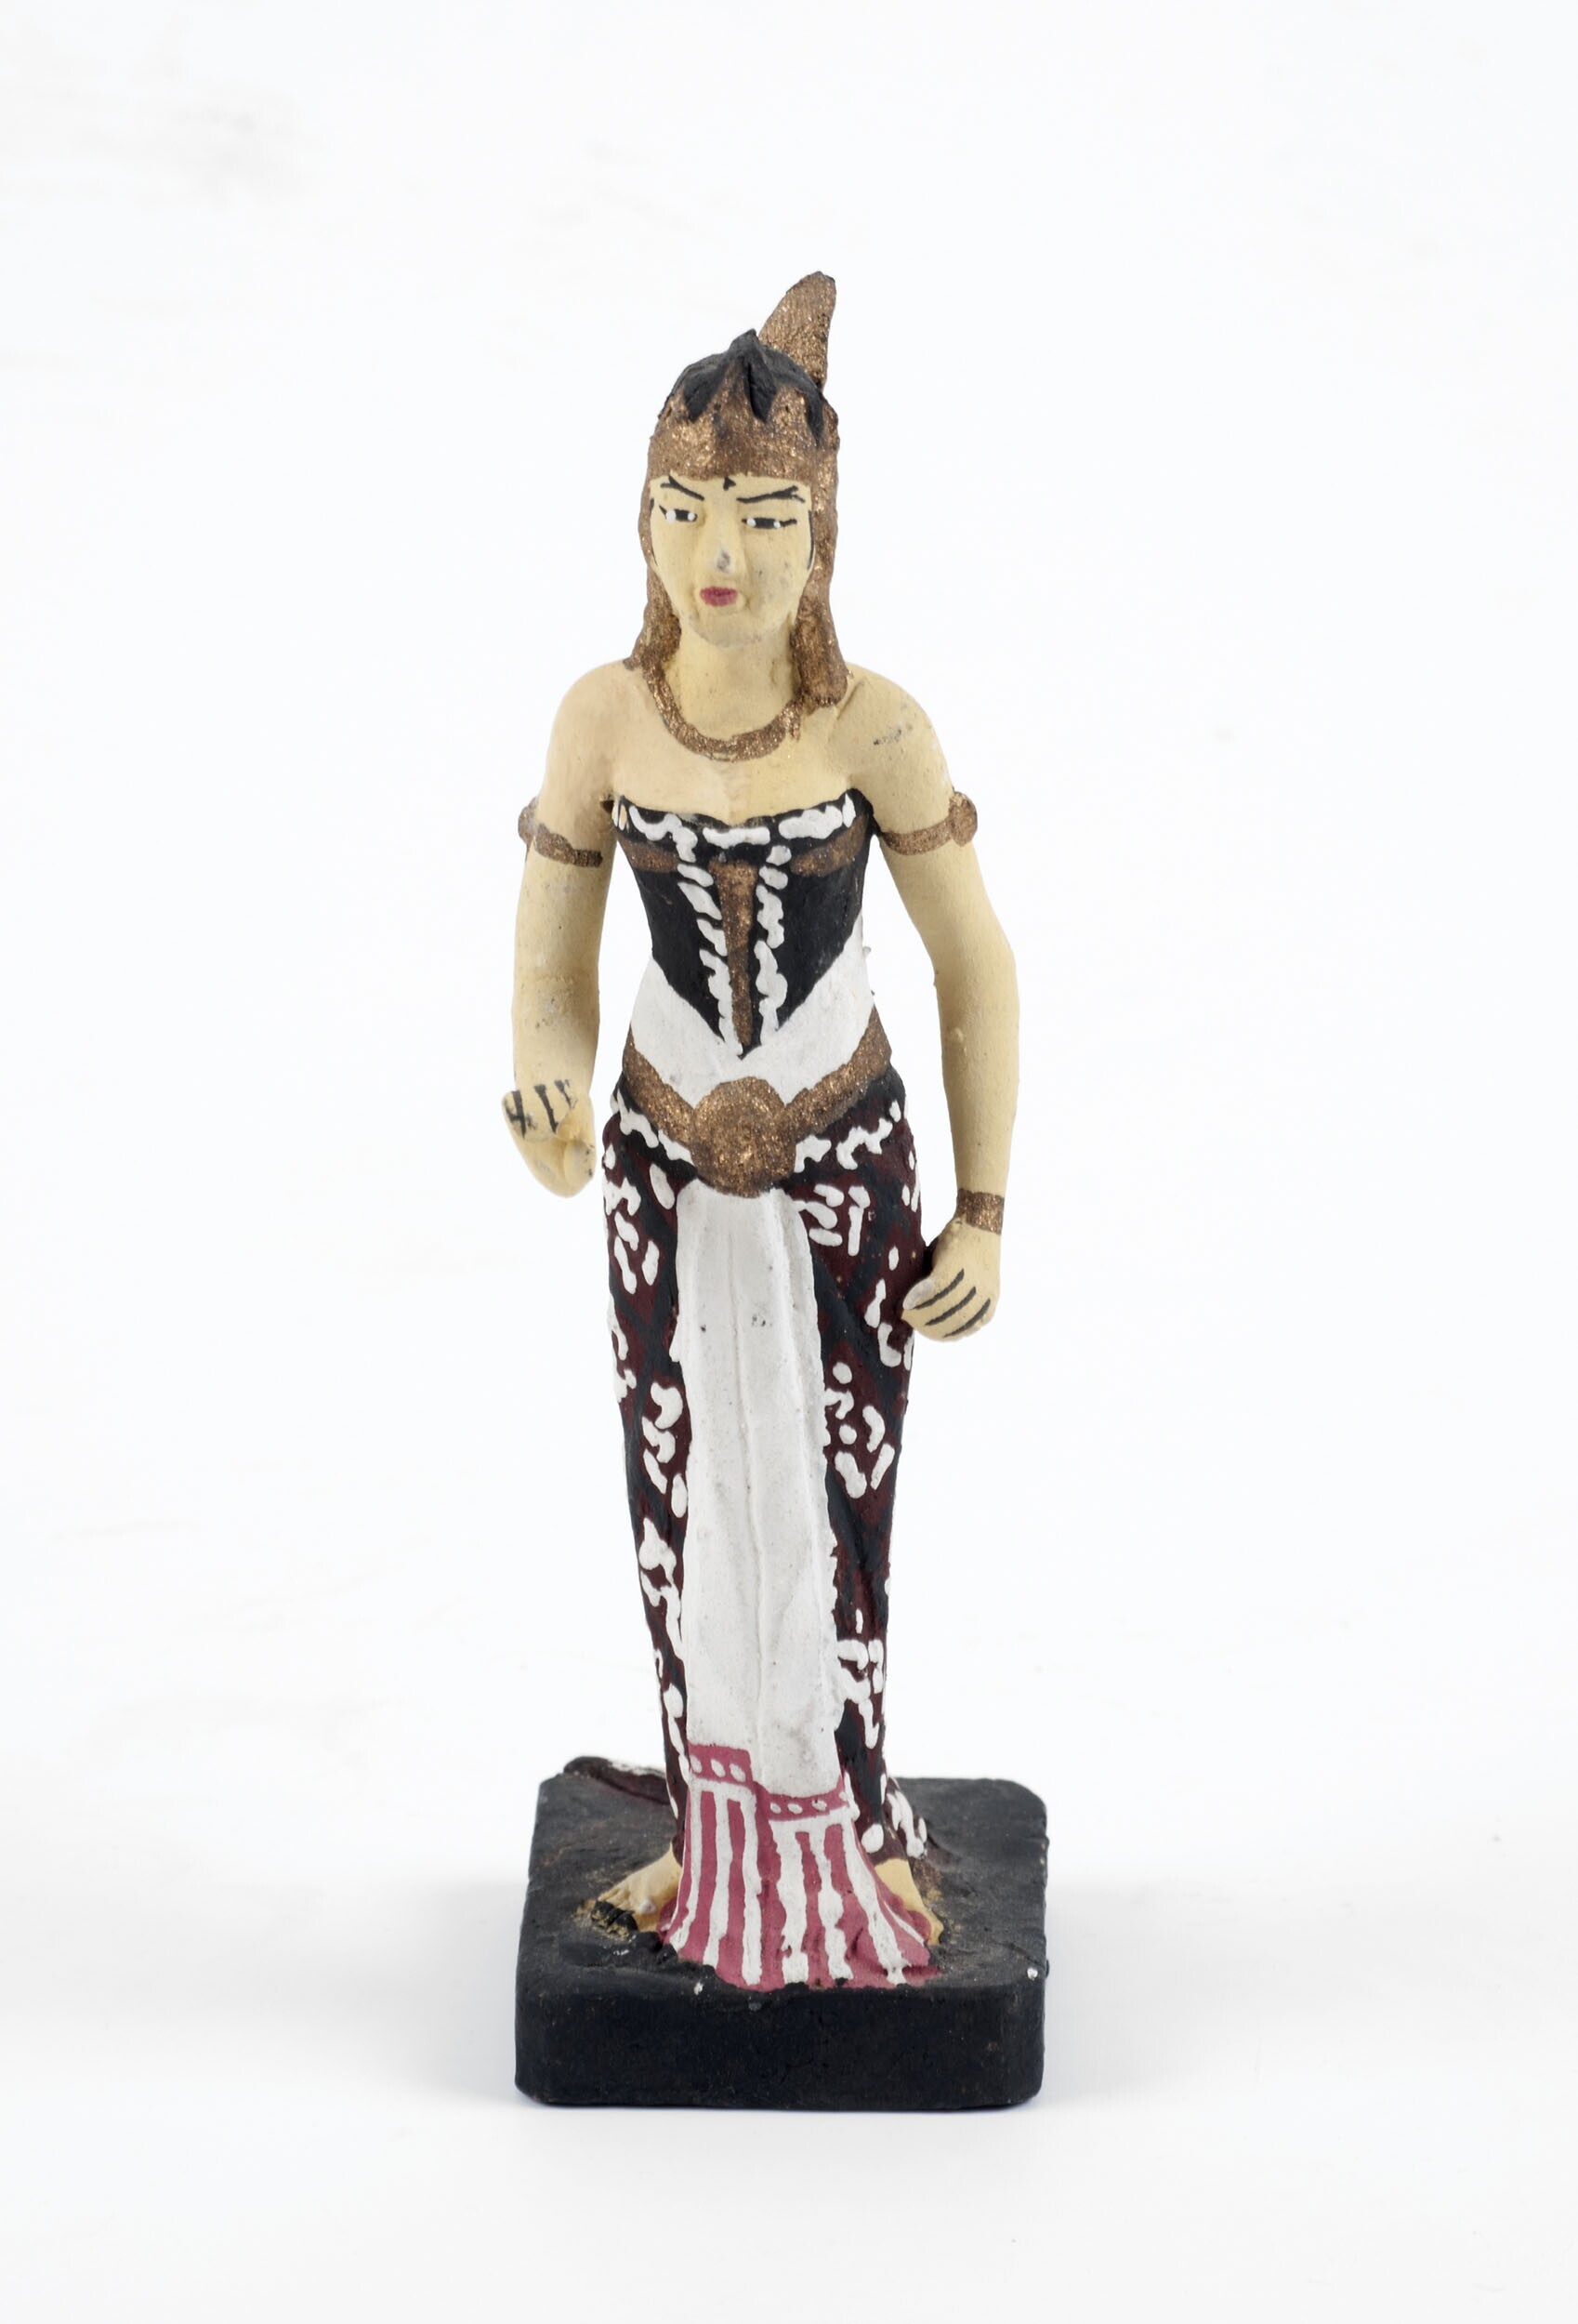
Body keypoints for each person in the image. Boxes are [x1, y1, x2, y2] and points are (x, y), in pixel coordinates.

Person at [505, 275, 1018, 1991]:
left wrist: (985, 1207)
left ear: (823, 533)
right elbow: (551, 975)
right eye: (682, 509)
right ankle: (708, 1833)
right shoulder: (602, 718)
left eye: (764, 518)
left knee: (828, 1498)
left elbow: (973, 964)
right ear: (640, 518)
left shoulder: (874, 725)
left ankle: (845, 1831)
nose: (717, 554)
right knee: (684, 1491)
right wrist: (548, 1097)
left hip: (840, 1167)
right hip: (662, 1166)